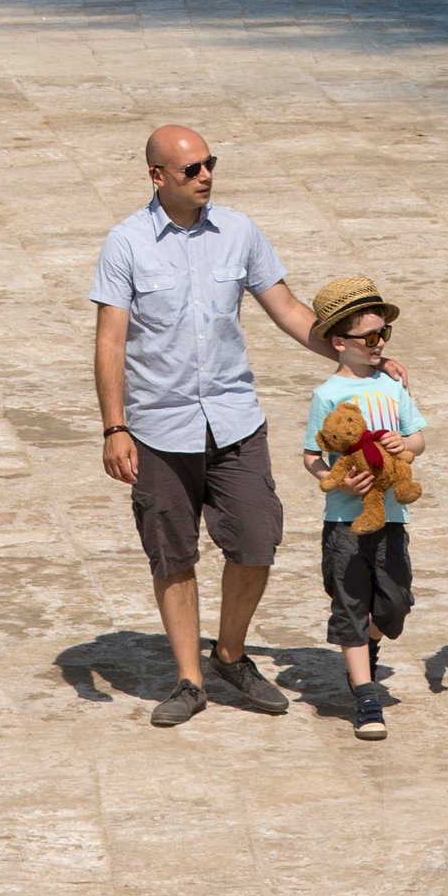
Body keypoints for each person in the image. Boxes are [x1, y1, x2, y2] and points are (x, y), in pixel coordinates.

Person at [90, 124, 321, 727]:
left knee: (256, 538)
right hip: (158, 429)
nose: (206, 177)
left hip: (235, 420)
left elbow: (290, 311)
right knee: (173, 554)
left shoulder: (239, 231)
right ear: (157, 177)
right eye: (191, 170)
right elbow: (110, 341)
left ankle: (231, 654)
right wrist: (115, 429)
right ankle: (190, 680)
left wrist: (357, 350)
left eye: (209, 164)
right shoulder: (126, 244)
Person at [302, 275, 428, 743]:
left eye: (383, 337)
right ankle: (365, 694)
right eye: (371, 338)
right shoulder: (326, 394)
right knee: (349, 602)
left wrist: (405, 443)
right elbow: (312, 455)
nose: (379, 346)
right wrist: (331, 479)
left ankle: (370, 643)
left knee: (395, 603)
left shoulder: (394, 388)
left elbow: (418, 437)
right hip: (343, 519)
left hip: (393, 514)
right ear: (340, 342)